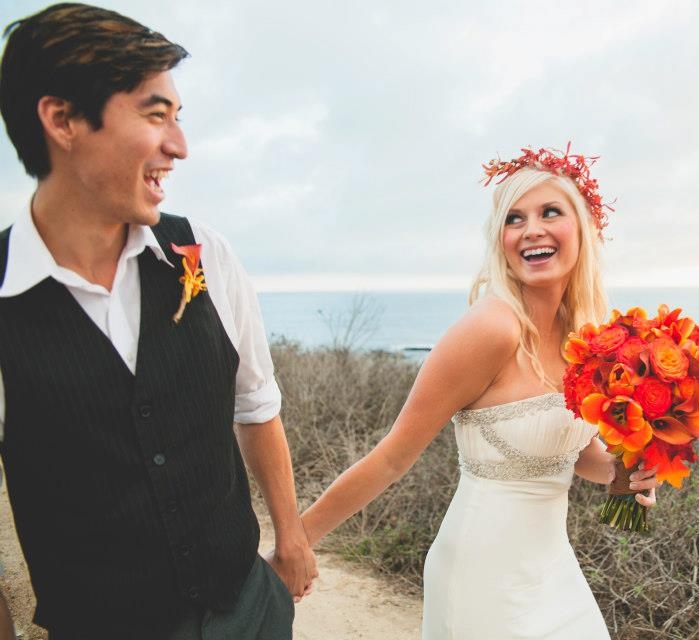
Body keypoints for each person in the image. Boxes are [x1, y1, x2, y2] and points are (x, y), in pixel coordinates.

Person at [0, 4, 316, 638]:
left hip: (249, 610)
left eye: (178, 117)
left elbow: (256, 403)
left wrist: (292, 539)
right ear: (62, 120)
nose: (179, 146)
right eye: (155, 114)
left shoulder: (204, 253)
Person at [297, 144, 659, 639]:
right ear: (500, 240)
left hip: (554, 571)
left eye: (550, 212)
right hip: (482, 579)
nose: (531, 229)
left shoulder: (587, 339)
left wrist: (627, 468)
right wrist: (296, 543)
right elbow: (392, 458)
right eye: (514, 219)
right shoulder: (491, 328)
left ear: (583, 227)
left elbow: (574, 453)